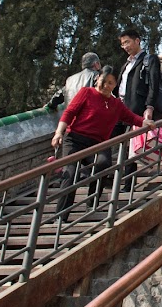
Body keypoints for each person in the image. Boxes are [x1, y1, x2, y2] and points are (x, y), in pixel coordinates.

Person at [51, 65, 154, 221]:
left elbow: (131, 117)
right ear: (97, 79)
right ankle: (60, 216)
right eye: (104, 81)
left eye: (111, 83)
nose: (106, 85)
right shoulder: (86, 93)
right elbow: (69, 112)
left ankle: (92, 202)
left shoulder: (116, 103)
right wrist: (59, 132)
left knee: (103, 164)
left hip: (98, 143)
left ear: (115, 85)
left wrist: (146, 122)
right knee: (70, 174)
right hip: (75, 140)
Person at [116, 29, 162, 188]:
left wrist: (149, 107)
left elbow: (153, 85)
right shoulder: (126, 64)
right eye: (122, 44)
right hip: (121, 108)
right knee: (121, 144)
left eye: (127, 42)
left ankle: (127, 184)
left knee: (131, 146)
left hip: (136, 108)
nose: (125, 46)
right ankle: (115, 178)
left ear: (137, 41)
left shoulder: (149, 60)